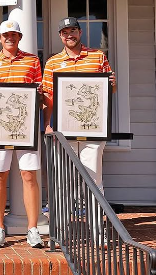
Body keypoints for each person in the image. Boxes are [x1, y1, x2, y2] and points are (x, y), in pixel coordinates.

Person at [42, 17, 116, 246]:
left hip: (92, 130)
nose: (69, 35)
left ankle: (97, 231)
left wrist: (111, 83)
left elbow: (108, 90)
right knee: (64, 182)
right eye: (65, 32)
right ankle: (62, 231)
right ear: (60, 36)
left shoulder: (97, 57)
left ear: (80, 32)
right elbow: (48, 97)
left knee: (94, 180)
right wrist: (47, 124)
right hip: (63, 131)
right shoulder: (53, 63)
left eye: (73, 30)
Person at [0, 20, 45, 248]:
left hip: (26, 129)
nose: (10, 38)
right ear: (0, 38)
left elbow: (41, 94)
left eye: (14, 34)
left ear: (20, 37)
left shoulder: (32, 61)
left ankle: (33, 228)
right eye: (6, 35)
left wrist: (37, 95)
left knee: (28, 175)